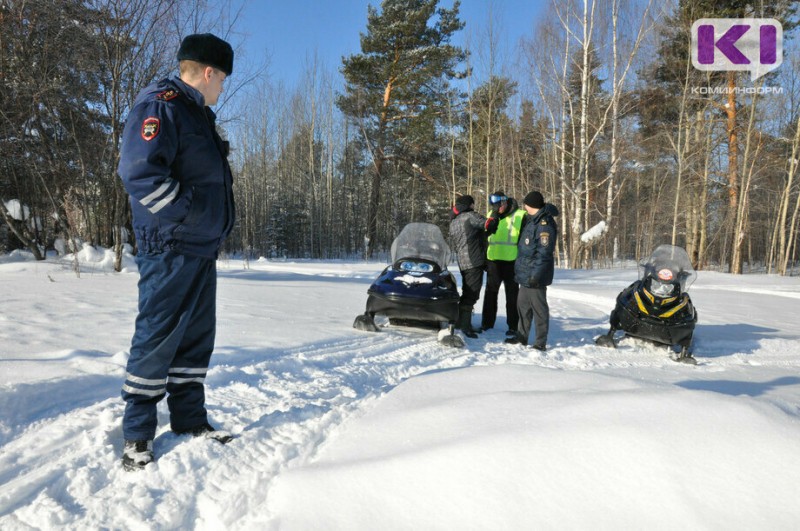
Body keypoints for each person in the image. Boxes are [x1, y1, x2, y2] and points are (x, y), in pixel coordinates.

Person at [117, 33, 236, 471]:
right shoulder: (162, 105)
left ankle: (189, 420)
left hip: (199, 247)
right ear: (208, 72)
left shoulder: (196, 114)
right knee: (156, 338)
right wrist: (186, 213)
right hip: (170, 246)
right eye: (222, 78)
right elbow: (138, 172)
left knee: (194, 340)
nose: (222, 86)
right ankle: (136, 436)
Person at [506, 191, 559, 350]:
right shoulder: (531, 220)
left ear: (531, 205)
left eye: (526, 204)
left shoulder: (545, 224)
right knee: (522, 307)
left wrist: (536, 275)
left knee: (539, 310)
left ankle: (540, 343)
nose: (524, 206)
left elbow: (544, 253)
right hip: (525, 274)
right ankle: (521, 337)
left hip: (535, 276)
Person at [481, 191, 525, 336]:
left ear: (505, 202)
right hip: (493, 261)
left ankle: (513, 325)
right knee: (490, 293)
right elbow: (484, 237)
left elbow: (525, 241)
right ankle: (487, 323)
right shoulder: (490, 214)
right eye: (493, 205)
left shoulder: (520, 215)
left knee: (512, 295)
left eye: (498, 205)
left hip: (512, 261)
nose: (496, 208)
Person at [449, 194, 491, 338]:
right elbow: (488, 223)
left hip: (462, 261)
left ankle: (461, 322)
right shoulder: (470, 216)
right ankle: (464, 326)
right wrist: (495, 213)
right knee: (472, 293)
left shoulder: (454, 221)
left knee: (467, 291)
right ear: (469, 205)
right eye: (473, 204)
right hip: (474, 260)